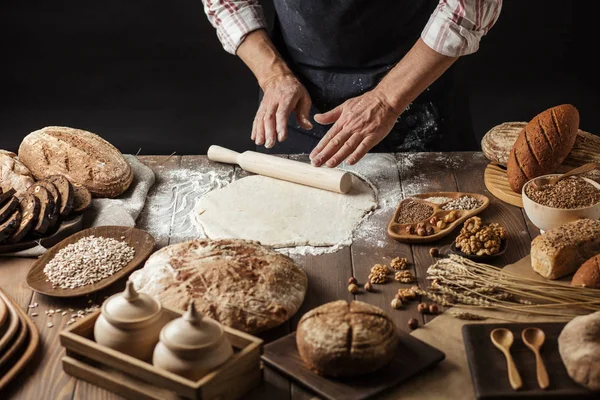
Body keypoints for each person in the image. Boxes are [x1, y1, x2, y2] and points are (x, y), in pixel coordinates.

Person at [201, 0, 502, 167]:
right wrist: (273, 75)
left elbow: (469, 7)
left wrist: (386, 99)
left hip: (418, 88)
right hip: (296, 97)